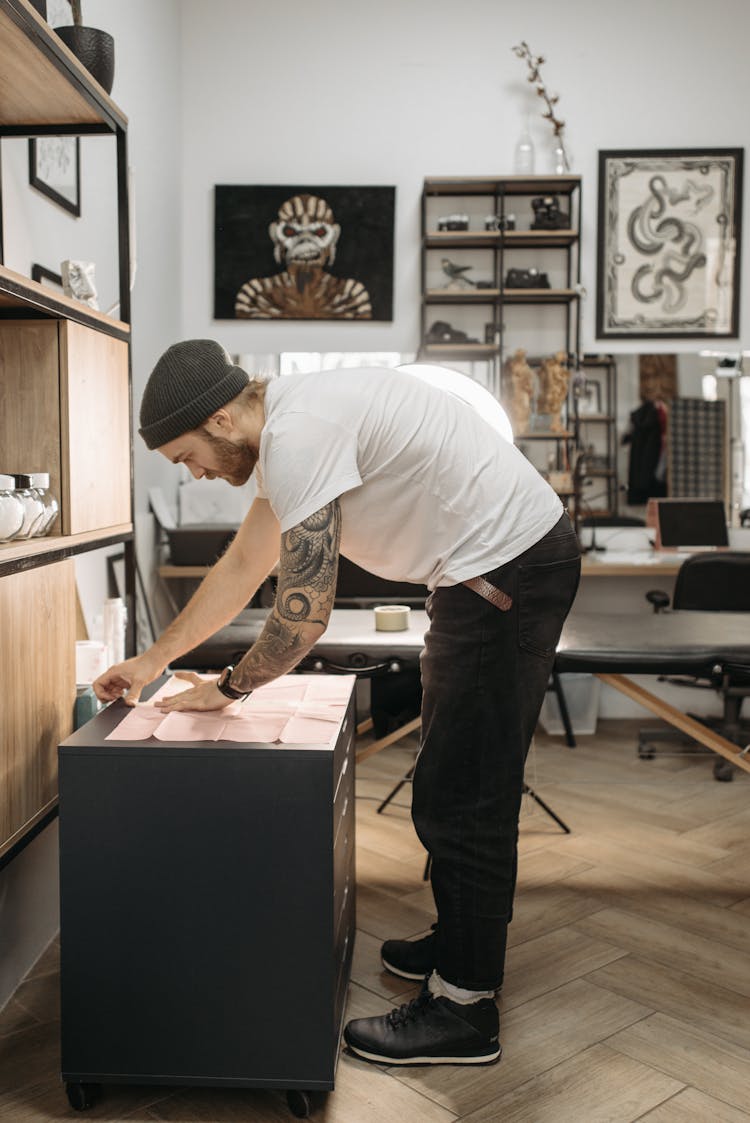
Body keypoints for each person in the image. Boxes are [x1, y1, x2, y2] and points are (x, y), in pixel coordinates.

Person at [93, 339, 581, 1068]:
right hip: (486, 571)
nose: (192, 472)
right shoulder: (289, 425)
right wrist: (152, 660)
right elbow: (242, 568)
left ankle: (465, 1007)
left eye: (185, 456)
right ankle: (461, 943)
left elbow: (300, 616)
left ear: (222, 420)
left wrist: (225, 691)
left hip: (503, 571)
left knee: (464, 795)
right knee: (449, 783)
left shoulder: (298, 433)